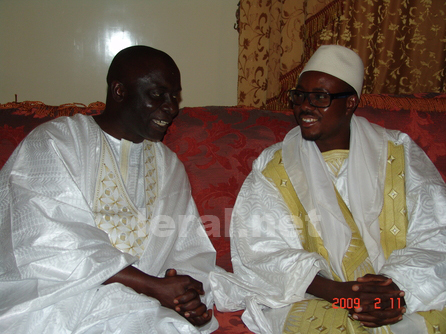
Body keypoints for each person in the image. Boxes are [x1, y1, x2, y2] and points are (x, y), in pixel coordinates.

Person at [209, 45, 446, 333]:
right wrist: (341, 293)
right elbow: (261, 251)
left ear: (350, 103)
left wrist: (396, 292)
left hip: (404, 291)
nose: (305, 106)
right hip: (317, 295)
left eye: (320, 97)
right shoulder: (274, 165)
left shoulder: (399, 152)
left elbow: (436, 233)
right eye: (300, 96)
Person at [0, 45, 219, 333]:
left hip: (144, 305)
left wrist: (186, 301)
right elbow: (51, 242)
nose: (172, 108)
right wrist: (152, 286)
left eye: (174, 96)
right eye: (158, 94)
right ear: (119, 91)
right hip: (59, 296)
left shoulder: (168, 164)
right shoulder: (56, 142)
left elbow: (187, 247)